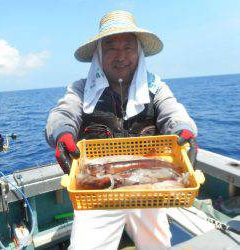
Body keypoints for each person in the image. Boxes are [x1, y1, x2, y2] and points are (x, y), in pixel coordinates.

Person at [45, 10, 197, 250]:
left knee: (158, 245)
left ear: (139, 52)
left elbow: (173, 112)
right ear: (99, 53)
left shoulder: (156, 87)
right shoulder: (80, 89)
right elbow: (63, 113)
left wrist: (184, 130)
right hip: (98, 192)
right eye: (111, 47)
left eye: (128, 47)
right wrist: (62, 133)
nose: (121, 56)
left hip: (147, 190)